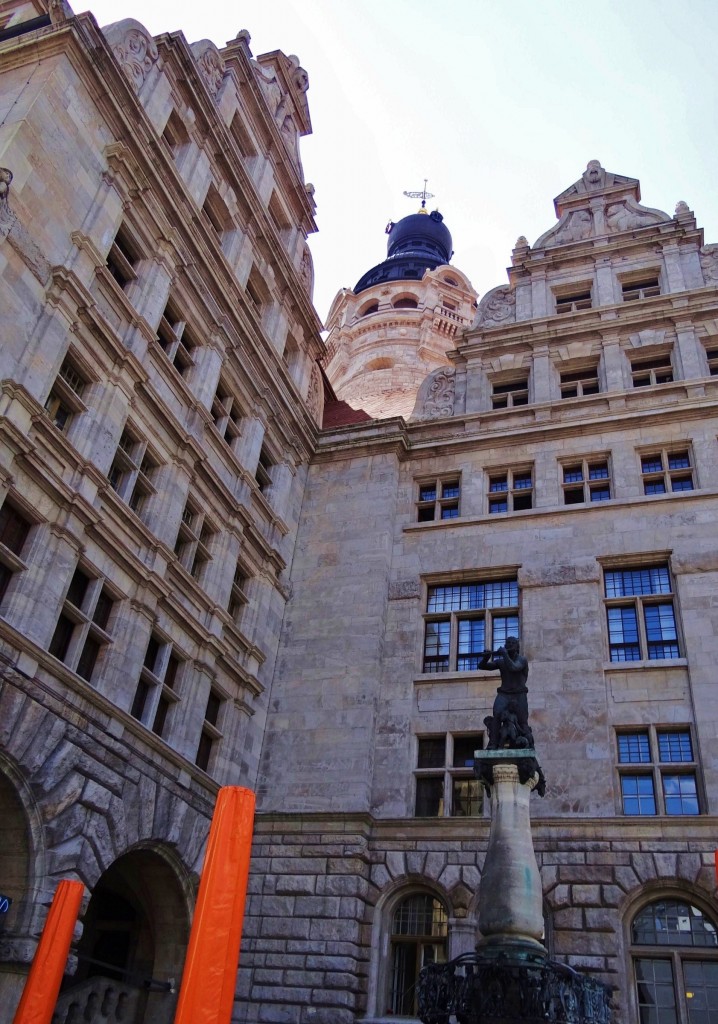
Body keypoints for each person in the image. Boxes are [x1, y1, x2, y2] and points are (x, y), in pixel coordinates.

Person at [479, 637, 532, 750]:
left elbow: (513, 667)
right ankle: (493, 743)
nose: (510, 645)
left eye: (513, 643)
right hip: (504, 693)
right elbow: (482, 666)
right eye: (508, 643)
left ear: (517, 647)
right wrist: (485, 658)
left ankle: (527, 744)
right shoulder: (502, 661)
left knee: (522, 720)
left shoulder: (522, 660)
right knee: (497, 714)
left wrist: (504, 654)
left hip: (519, 694)